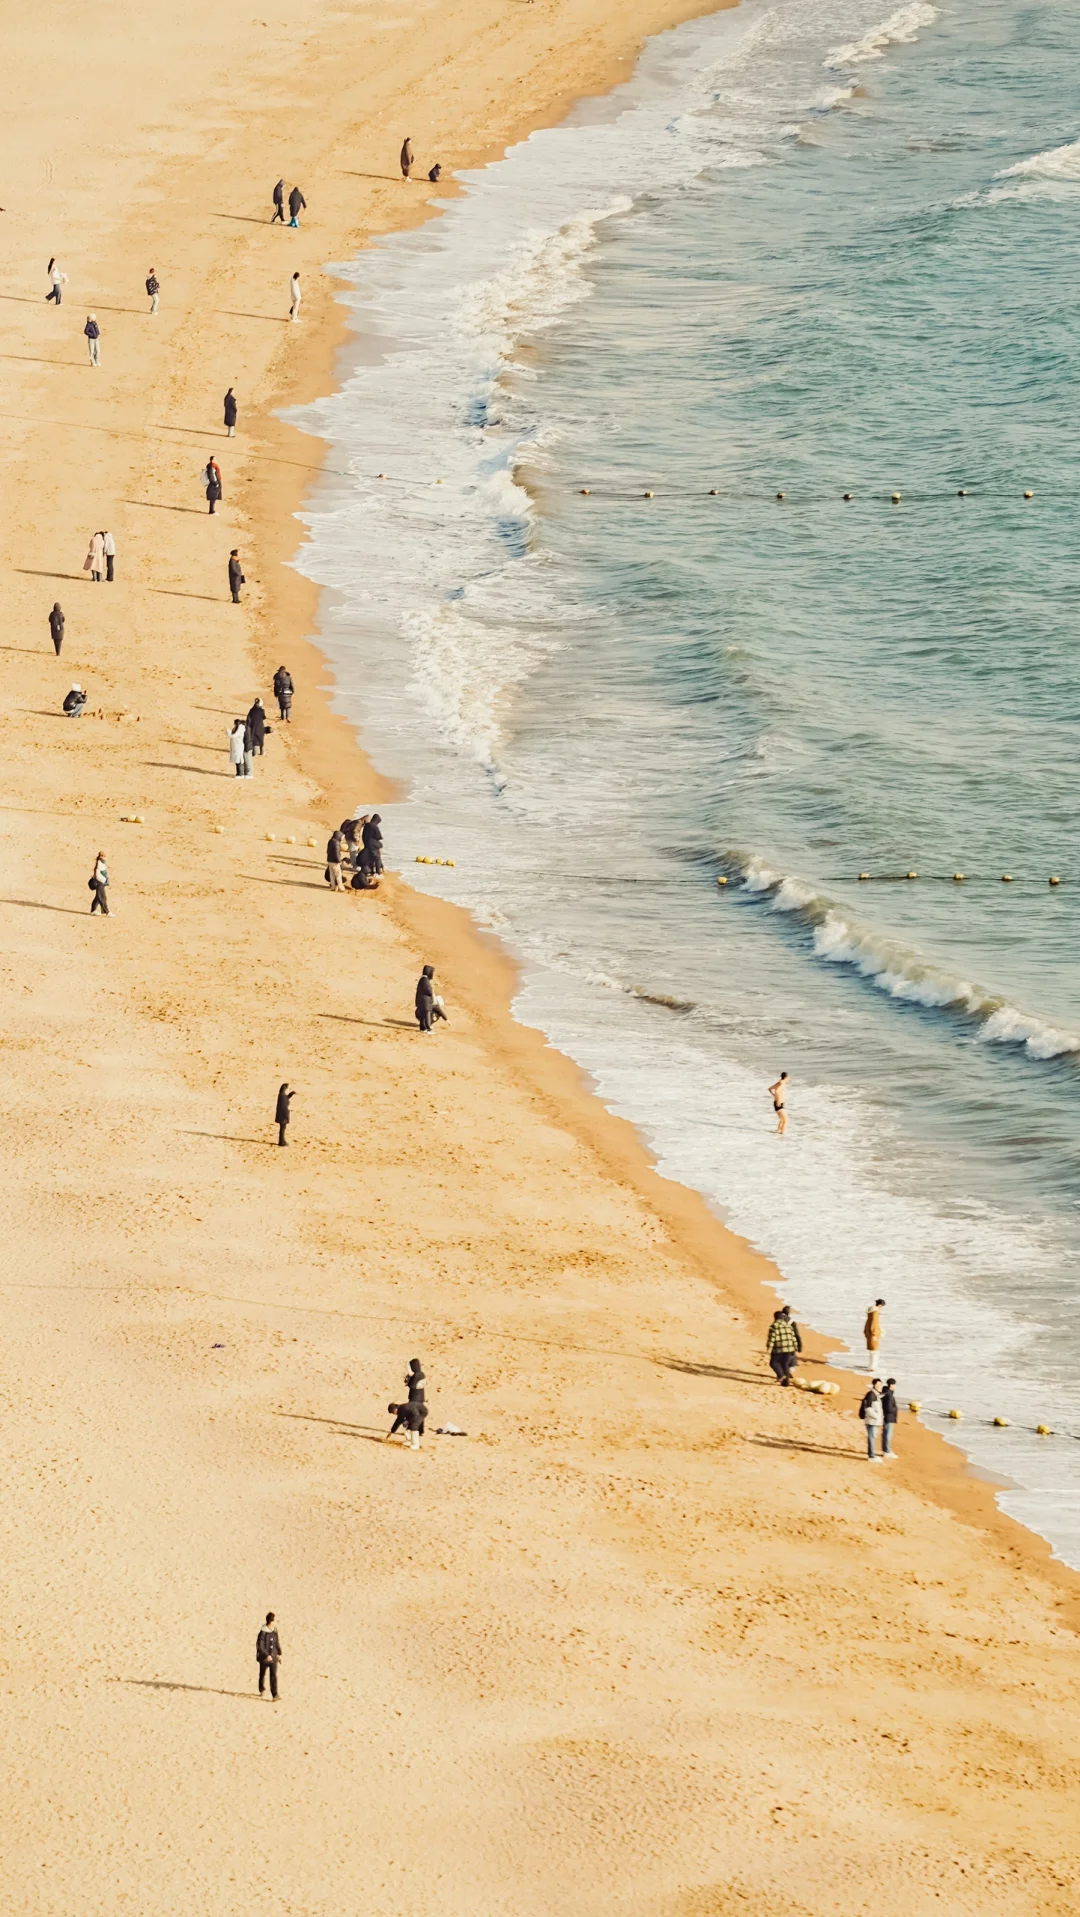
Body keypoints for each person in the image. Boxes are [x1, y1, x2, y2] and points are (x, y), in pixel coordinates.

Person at [765, 1306, 801, 1384]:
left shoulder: (774, 1326)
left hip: (779, 1349)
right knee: (785, 1365)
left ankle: (781, 1376)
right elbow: (793, 1337)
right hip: (790, 1349)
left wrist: (769, 1348)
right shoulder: (788, 1325)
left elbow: (772, 1338)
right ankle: (785, 1383)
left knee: (773, 1363)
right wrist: (795, 1347)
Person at [256, 1613, 282, 1700]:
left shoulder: (275, 1631)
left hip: (273, 1657)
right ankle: (261, 1688)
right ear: (271, 1621)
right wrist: (266, 1655)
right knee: (262, 1674)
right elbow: (260, 1646)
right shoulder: (263, 1632)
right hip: (264, 1658)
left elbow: (276, 1643)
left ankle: (275, 1694)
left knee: (273, 1675)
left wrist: (279, 1654)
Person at [860, 1378, 885, 1461]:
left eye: (881, 1384)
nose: (880, 1386)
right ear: (875, 1385)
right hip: (871, 1420)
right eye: (879, 1384)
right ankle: (871, 1456)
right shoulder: (871, 1395)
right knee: (871, 1437)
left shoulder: (876, 1395)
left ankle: (872, 1455)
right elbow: (868, 1408)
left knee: (873, 1437)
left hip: (874, 1420)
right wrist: (877, 1416)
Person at [864, 1298, 885, 1371]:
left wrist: (866, 1332)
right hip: (873, 1333)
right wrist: (874, 1334)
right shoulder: (875, 1313)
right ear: (880, 1305)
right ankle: (872, 1367)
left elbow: (868, 1323)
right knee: (874, 1351)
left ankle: (871, 1366)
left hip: (869, 1332)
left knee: (872, 1351)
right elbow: (874, 1324)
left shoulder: (871, 1312)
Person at [415, 963, 436, 1032]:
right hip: (425, 1002)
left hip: (421, 1001)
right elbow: (428, 991)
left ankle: (423, 1028)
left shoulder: (422, 979)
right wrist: (432, 990)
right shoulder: (425, 980)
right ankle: (428, 1029)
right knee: (426, 1015)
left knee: (423, 1016)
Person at [882, 1378, 899, 1458]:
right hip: (888, 1416)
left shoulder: (887, 1393)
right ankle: (887, 1451)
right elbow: (888, 1408)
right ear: (891, 1385)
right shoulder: (888, 1394)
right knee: (888, 1434)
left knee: (887, 1434)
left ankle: (886, 1450)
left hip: (888, 1416)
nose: (895, 1386)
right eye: (894, 1385)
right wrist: (895, 1409)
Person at [89, 850, 109, 915]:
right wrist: (103, 880)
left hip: (101, 882)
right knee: (102, 897)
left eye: (105, 856)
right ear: (100, 857)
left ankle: (93, 911)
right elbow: (98, 875)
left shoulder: (102, 863)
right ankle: (107, 912)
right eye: (103, 856)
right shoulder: (99, 864)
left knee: (98, 897)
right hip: (99, 883)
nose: (104, 857)